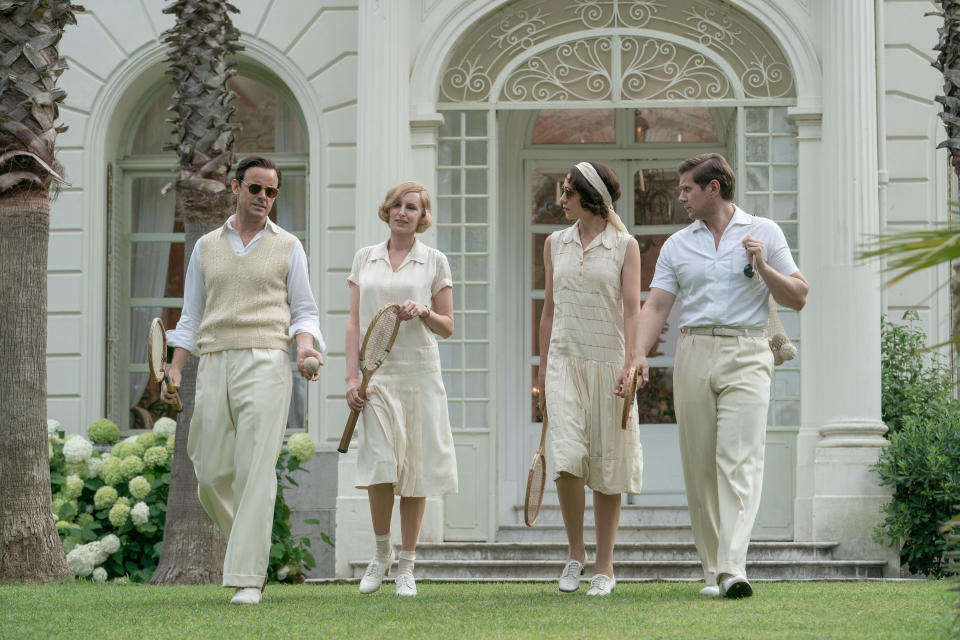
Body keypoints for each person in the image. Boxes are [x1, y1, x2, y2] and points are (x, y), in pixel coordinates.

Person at [635, 153, 809, 599]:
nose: (681, 197)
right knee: (700, 466)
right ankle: (713, 568)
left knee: (739, 459)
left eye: (687, 189)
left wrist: (764, 266)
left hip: (748, 351)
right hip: (693, 350)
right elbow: (656, 306)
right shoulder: (677, 245)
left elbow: (799, 296)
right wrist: (636, 355)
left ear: (713, 188)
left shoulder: (764, 231)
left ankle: (734, 566)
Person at [162, 155, 325, 605]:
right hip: (213, 360)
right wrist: (176, 366)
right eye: (256, 189)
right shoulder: (206, 247)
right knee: (209, 471)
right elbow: (191, 315)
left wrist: (305, 348)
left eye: (271, 192)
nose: (263, 198)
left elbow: (304, 309)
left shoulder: (289, 245)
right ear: (235, 188)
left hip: (267, 360)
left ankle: (248, 578)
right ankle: (251, 548)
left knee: (256, 468)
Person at [346, 181, 457, 597]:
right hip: (377, 378)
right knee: (379, 467)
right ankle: (381, 554)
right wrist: (352, 377)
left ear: (422, 216)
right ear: (386, 210)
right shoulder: (364, 259)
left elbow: (448, 326)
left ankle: (407, 565)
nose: (402, 212)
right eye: (396, 205)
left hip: (420, 376)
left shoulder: (434, 261)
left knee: (415, 469)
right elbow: (354, 323)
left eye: (412, 207)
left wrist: (425, 310)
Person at [538, 162, 644, 596]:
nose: (561, 200)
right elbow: (547, 311)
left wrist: (631, 366)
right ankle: (575, 554)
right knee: (566, 459)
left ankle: (604, 565)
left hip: (609, 364)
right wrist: (542, 373)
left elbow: (634, 310)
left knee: (607, 464)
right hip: (564, 362)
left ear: (589, 196)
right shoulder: (553, 244)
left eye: (568, 193)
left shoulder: (625, 246)